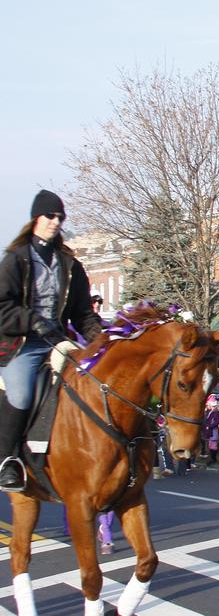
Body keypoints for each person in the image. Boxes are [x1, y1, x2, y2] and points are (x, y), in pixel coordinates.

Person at [0, 190, 104, 491]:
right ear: (36, 218)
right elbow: (2, 306)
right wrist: (31, 320)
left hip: (58, 341)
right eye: (50, 216)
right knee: (20, 393)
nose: (55, 222)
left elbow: (83, 313)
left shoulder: (69, 264)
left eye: (60, 217)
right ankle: (8, 460)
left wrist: (100, 340)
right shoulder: (16, 260)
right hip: (22, 344)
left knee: (90, 382)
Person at [201, 395, 219, 466]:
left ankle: (213, 458)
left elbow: (216, 422)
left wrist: (209, 426)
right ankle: (212, 458)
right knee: (211, 445)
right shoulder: (211, 412)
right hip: (210, 431)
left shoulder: (216, 412)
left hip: (213, 431)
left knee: (213, 445)